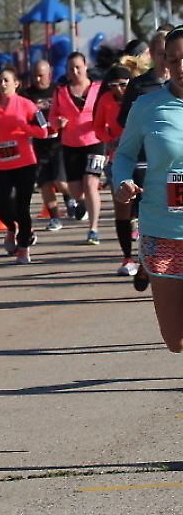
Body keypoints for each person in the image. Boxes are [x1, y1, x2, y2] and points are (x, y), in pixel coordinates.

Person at [113, 25, 183, 354]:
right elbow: (124, 155)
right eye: (174, 59)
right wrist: (122, 182)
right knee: (175, 341)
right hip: (162, 230)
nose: (181, 67)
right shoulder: (146, 106)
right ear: (163, 61)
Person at [117, 30, 171, 291]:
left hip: (174, 167)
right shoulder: (139, 87)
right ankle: (146, 260)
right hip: (144, 163)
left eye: (171, 54)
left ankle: (156, 262)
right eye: (161, 54)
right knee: (149, 215)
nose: (166, 60)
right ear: (152, 54)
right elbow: (123, 122)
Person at [0, 66, 49, 264]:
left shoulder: (27, 104)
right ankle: (11, 227)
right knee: (2, 205)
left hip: (24, 162)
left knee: (23, 206)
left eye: (6, 80)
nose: (3, 84)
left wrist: (23, 126)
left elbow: (43, 131)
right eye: (0, 80)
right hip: (0, 163)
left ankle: (23, 247)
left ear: (16, 84)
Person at [49, 51, 104, 245]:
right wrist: (57, 122)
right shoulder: (61, 92)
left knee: (90, 184)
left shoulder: (98, 89)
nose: (75, 71)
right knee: (76, 192)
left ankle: (93, 229)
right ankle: (81, 203)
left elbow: (108, 110)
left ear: (86, 66)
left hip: (95, 141)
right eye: (71, 68)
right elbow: (52, 117)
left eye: (78, 67)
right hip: (71, 144)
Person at [93, 65, 135, 276]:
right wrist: (110, 140)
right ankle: (128, 258)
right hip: (118, 160)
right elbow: (98, 126)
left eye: (122, 85)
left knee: (148, 208)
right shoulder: (106, 100)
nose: (118, 89)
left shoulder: (139, 97)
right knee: (122, 208)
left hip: (144, 158)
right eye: (113, 86)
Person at [22, 59, 75, 230]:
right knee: (44, 183)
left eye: (41, 75)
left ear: (49, 75)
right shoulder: (27, 94)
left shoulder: (58, 91)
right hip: (38, 144)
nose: (37, 79)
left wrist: (62, 121)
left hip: (59, 142)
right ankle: (54, 218)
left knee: (60, 181)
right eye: (35, 76)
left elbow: (69, 111)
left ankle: (70, 199)